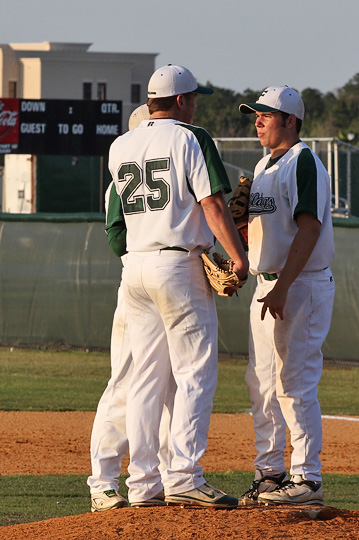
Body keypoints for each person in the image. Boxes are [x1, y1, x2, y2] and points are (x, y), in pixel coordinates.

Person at [104, 65, 248, 508]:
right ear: (182, 100)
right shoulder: (191, 137)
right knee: (195, 373)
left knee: (145, 380)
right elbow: (212, 204)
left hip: (135, 268)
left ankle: (144, 484)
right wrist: (239, 256)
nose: (196, 105)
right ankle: (184, 475)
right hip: (178, 266)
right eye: (194, 98)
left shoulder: (120, 145)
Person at [236, 86, 335, 506]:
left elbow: (309, 229)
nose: (257, 120)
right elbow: (265, 232)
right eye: (255, 114)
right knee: (261, 383)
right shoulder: (263, 166)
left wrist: (283, 285)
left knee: (294, 382)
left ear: (290, 120)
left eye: (265, 114)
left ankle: (307, 477)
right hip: (269, 283)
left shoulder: (303, 162)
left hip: (300, 284)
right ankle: (270, 473)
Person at [88, 104, 176, 512]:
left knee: (171, 387)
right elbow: (116, 241)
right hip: (138, 289)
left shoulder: (176, 169)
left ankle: (164, 478)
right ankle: (103, 481)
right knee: (126, 382)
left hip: (170, 286)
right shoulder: (119, 184)